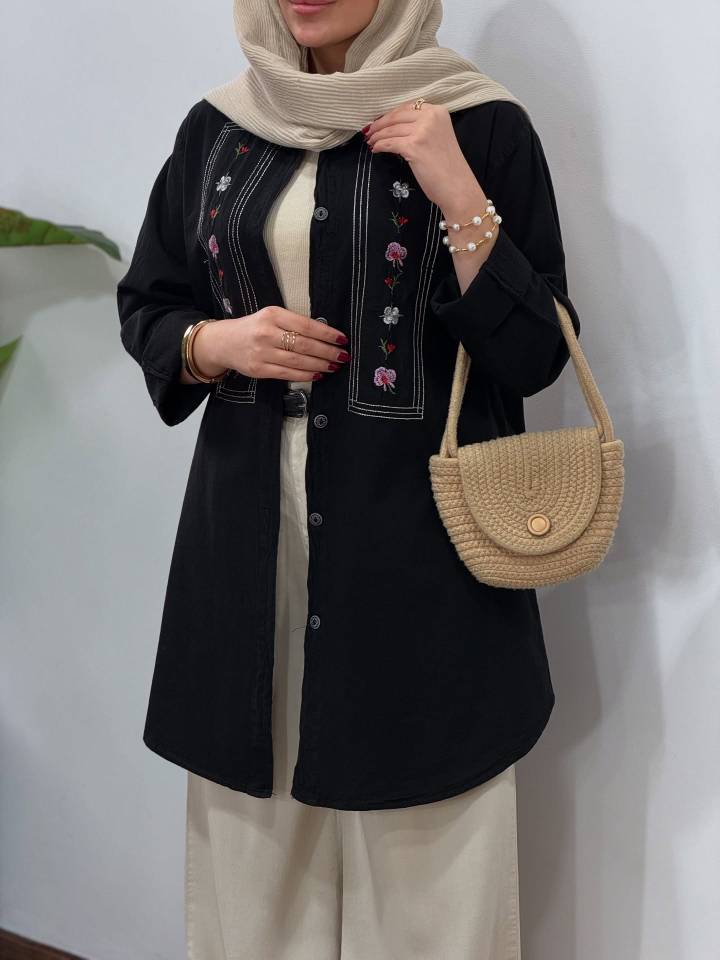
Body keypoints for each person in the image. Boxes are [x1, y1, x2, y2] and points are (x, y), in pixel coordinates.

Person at [117, 0, 582, 956]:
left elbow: (536, 353)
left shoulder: (478, 123)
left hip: (419, 554)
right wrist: (216, 343)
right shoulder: (220, 126)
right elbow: (150, 303)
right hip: (247, 537)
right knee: (255, 872)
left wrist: (459, 193)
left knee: (430, 875)